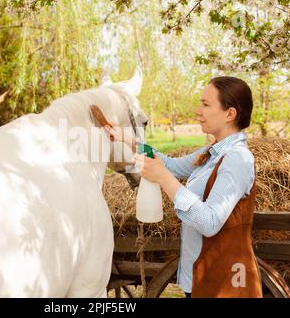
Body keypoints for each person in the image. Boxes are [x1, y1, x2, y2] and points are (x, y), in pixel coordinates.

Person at [105, 76, 262, 298]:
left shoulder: (237, 159)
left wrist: (165, 180)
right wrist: (127, 139)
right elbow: (171, 165)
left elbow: (209, 222)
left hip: (221, 285)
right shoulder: (212, 152)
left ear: (230, 113)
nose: (198, 111)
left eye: (206, 105)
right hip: (200, 279)